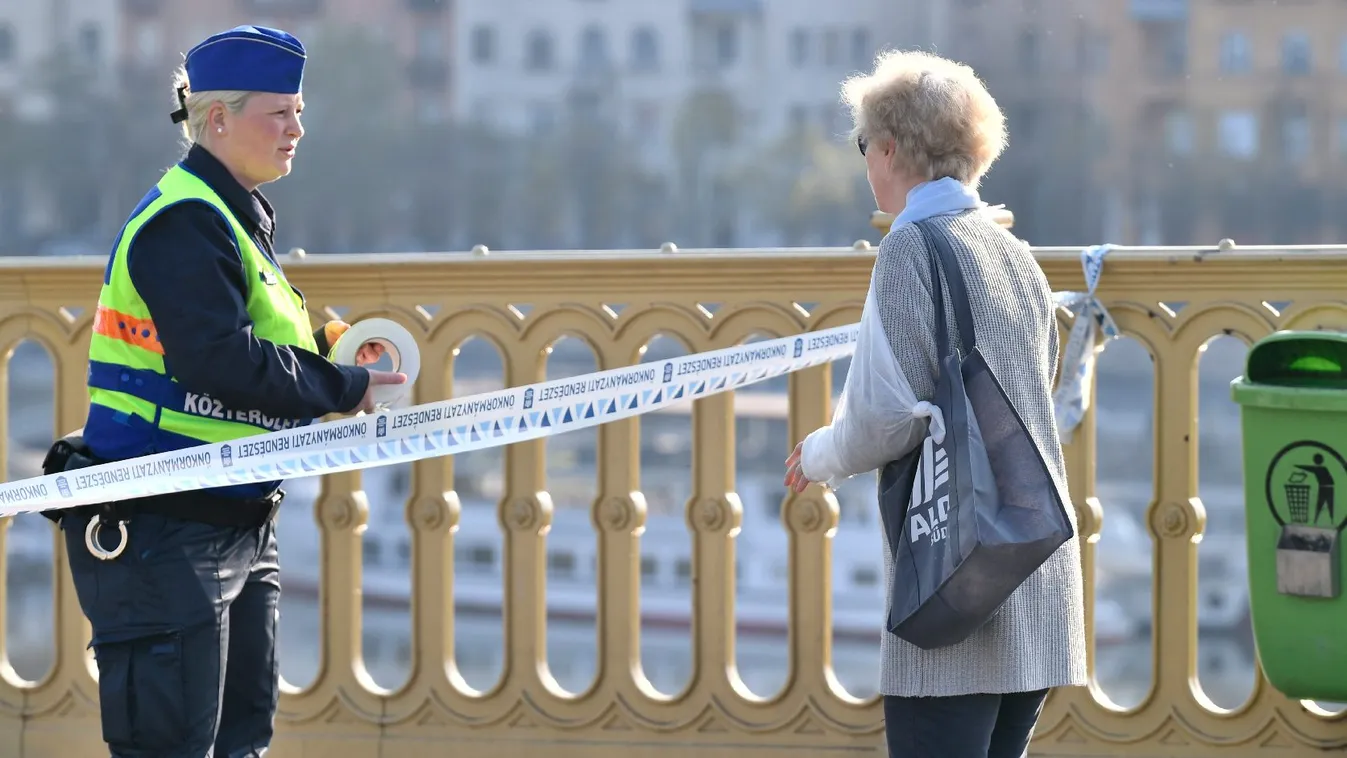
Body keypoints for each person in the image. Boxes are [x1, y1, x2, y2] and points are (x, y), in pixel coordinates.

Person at [41, 25, 405, 758]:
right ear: (217, 119)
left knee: (243, 743)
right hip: (166, 531)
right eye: (280, 113)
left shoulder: (230, 212)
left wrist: (337, 346)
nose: (297, 129)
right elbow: (218, 361)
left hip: (233, 521)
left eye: (299, 111)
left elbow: (267, 328)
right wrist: (346, 385)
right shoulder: (182, 222)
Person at [783, 50, 1087, 758]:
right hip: (1035, 571)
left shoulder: (910, 249)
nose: (866, 161)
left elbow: (883, 419)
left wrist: (820, 454)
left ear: (889, 147)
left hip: (958, 583)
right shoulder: (1016, 255)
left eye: (864, 145)